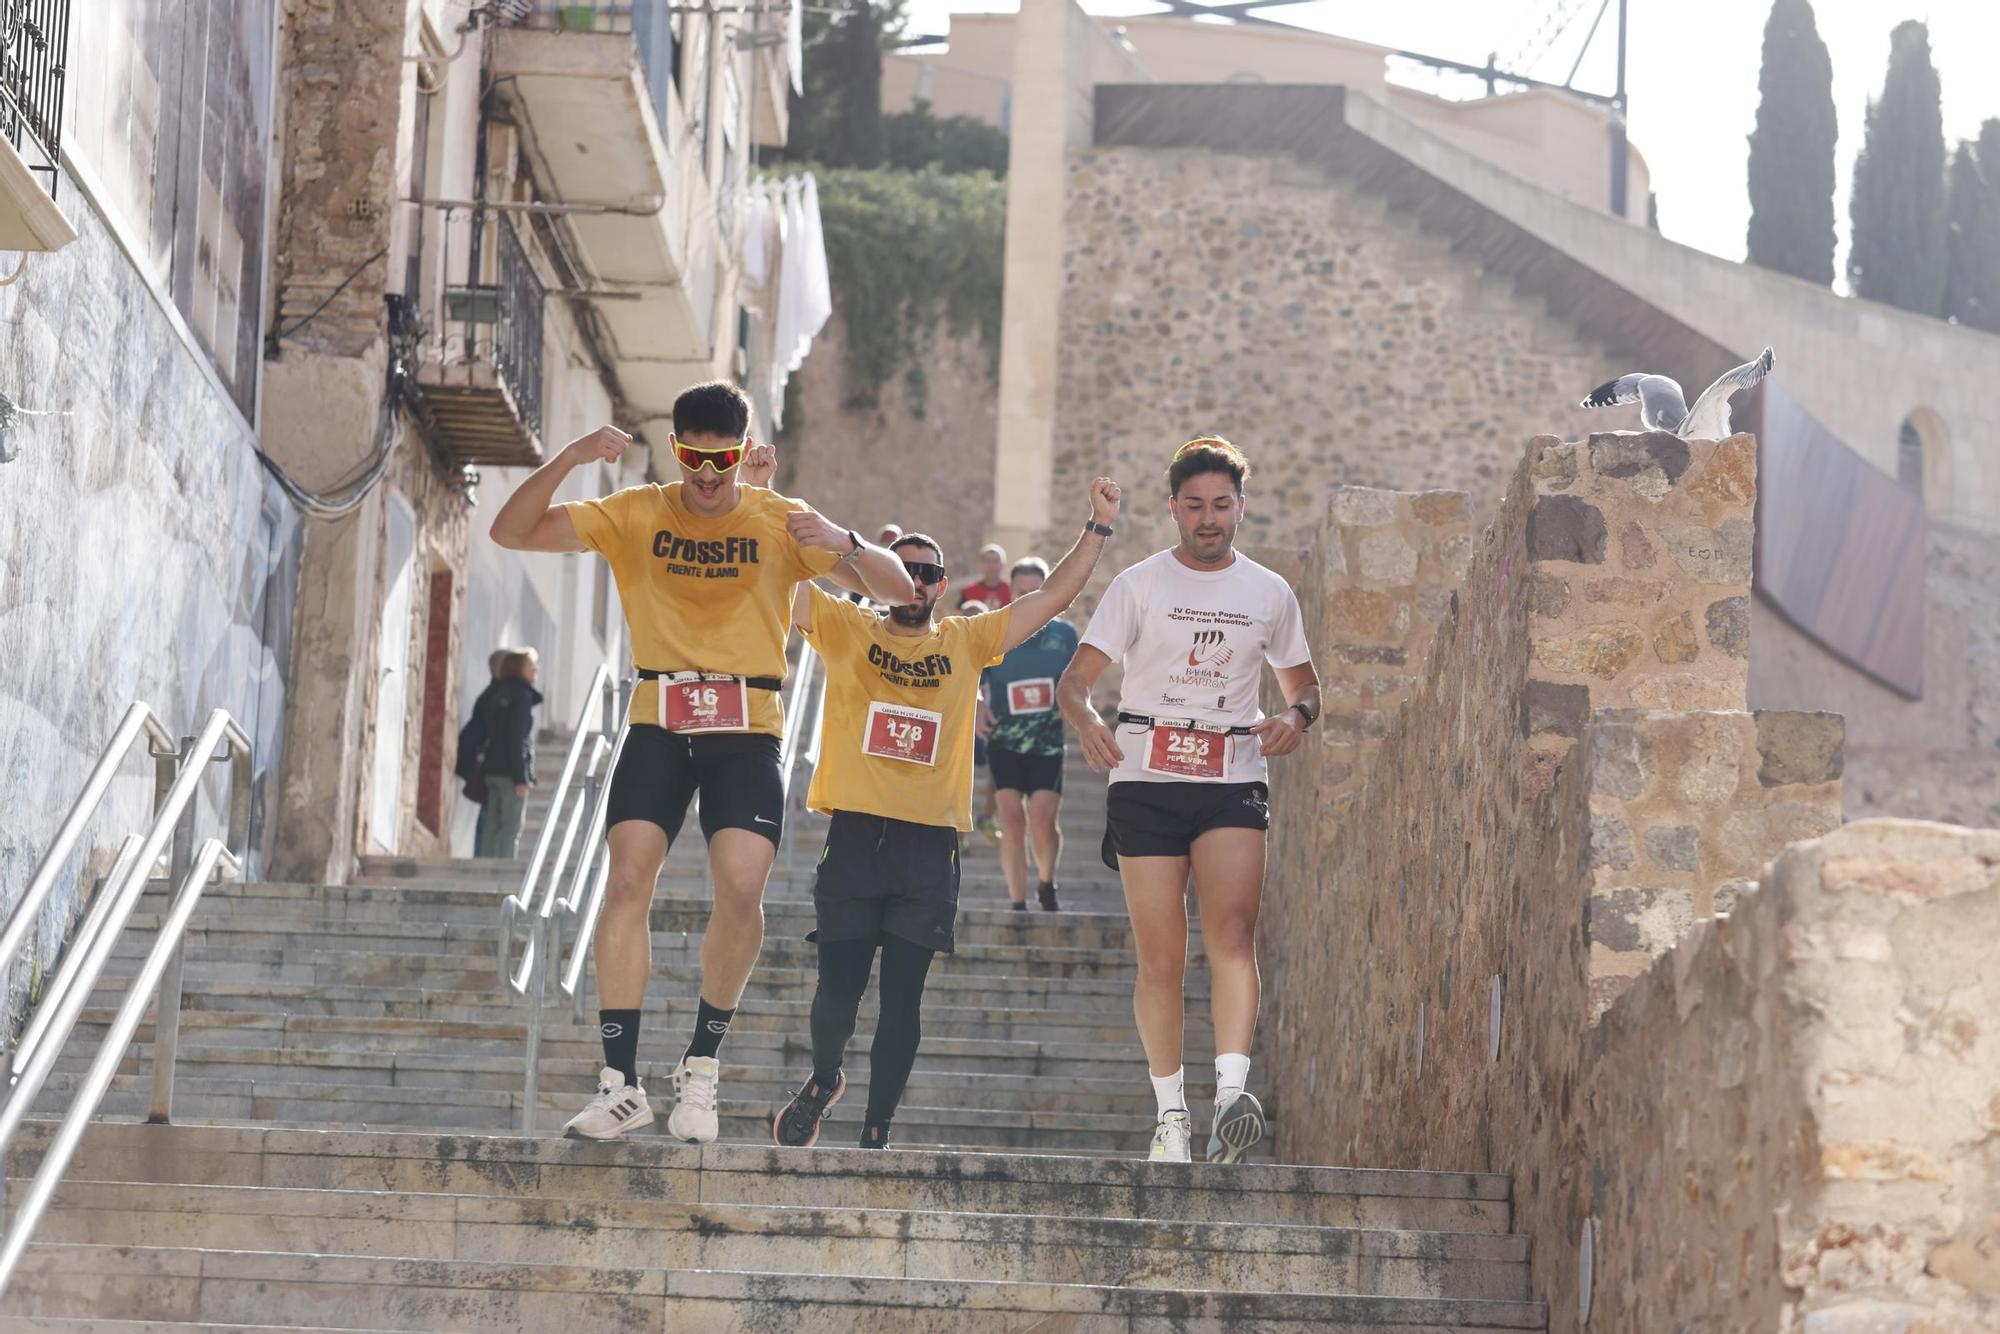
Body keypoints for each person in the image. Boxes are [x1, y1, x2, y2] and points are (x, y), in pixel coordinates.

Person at [488, 381, 915, 1143]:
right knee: (624, 882)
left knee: (742, 890)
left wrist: (845, 540)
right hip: (659, 715)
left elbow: (901, 590)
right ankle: (620, 1083)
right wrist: (577, 455)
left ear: (741, 450)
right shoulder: (639, 510)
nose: (707, 476)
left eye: (720, 460)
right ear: (677, 447)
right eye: (692, 457)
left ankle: (701, 1065)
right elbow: (512, 530)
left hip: (748, 726)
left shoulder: (781, 520)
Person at [772, 479, 1123, 1150]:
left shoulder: (966, 641)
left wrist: (1098, 527)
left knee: (904, 999)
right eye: (901, 569)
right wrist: (763, 495)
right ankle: (823, 1080)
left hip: (928, 849)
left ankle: (877, 1128)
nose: (915, 582)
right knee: (837, 997)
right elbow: (783, 580)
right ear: (880, 576)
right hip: (853, 838)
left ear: (942, 586)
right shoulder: (846, 627)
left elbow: (1050, 598)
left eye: (928, 572)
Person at [1056, 437, 1320, 1166]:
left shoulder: (1269, 593)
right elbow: (1073, 682)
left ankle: (1230, 1097)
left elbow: (1305, 687)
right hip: (1145, 774)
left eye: (1222, 505)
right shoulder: (1138, 585)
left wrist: (1294, 720)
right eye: (1195, 506)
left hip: (1232, 773)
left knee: (1232, 934)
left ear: (1242, 506)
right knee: (1161, 959)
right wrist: (1087, 721)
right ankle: (1170, 1117)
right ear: (1174, 508)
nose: (1209, 520)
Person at [978, 558, 1078, 911]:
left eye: (1037, 591)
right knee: (1011, 817)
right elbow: (973, 674)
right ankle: (1017, 901)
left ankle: (1047, 883)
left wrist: (1075, 705)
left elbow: (1080, 679)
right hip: (1004, 739)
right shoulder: (996, 630)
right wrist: (978, 703)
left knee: (1041, 817)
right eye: (1022, 592)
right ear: (1012, 592)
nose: (1030, 598)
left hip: (1048, 741)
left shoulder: (1064, 634)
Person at [471, 648, 543, 859]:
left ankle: (484, 871)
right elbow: (516, 738)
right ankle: (503, 873)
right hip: (510, 773)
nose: (536, 670)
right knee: (511, 827)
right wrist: (521, 777)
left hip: (491, 769)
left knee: (492, 826)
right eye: (532, 666)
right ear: (520, 669)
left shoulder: (495, 693)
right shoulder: (521, 696)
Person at [956, 543, 1012, 611]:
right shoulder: (968, 592)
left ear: (1003, 564)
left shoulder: (1012, 591)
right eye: (988, 561)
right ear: (981, 564)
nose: (992, 566)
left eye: (996, 561)